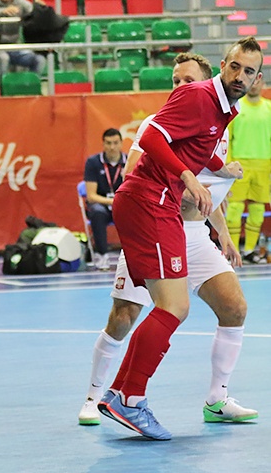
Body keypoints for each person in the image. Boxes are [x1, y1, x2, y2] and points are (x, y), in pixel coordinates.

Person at [95, 38, 262, 441]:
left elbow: (197, 146)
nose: (241, 76)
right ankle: (128, 398)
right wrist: (188, 177)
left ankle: (121, 392)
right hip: (149, 202)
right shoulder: (199, 95)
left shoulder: (225, 109)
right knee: (172, 307)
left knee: (184, 307)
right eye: (235, 67)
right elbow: (152, 137)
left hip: (159, 207)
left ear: (258, 77)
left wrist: (221, 168)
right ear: (223, 65)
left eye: (250, 71)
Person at [225, 73, 271, 263]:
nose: (255, 85)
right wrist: (228, 165)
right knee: (234, 209)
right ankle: (233, 251)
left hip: (264, 165)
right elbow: (227, 138)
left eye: (258, 82)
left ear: (263, 84)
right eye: (252, 82)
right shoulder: (236, 107)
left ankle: (250, 251)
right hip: (239, 165)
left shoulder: (269, 109)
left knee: (258, 211)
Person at [83, 128, 126, 271]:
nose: (112, 147)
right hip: (102, 205)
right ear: (103, 144)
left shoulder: (129, 162)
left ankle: (133, 254)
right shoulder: (93, 162)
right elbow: (91, 195)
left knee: (137, 212)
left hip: (123, 206)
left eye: (115, 143)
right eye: (108, 143)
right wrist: (112, 202)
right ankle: (101, 254)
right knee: (97, 212)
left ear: (121, 143)